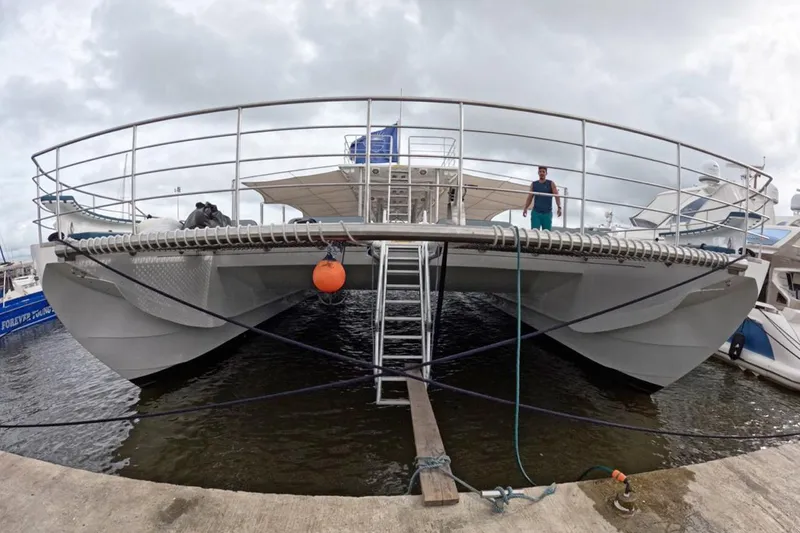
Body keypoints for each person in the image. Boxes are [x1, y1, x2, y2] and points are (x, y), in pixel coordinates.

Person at [522, 166, 561, 230]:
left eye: (543, 172)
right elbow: (530, 197)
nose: (542, 173)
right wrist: (525, 208)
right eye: (540, 171)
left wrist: (559, 207)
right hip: (536, 213)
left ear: (546, 173)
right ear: (538, 173)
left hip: (547, 213)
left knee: (546, 233)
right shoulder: (534, 184)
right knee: (534, 232)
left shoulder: (551, 183)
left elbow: (557, 196)